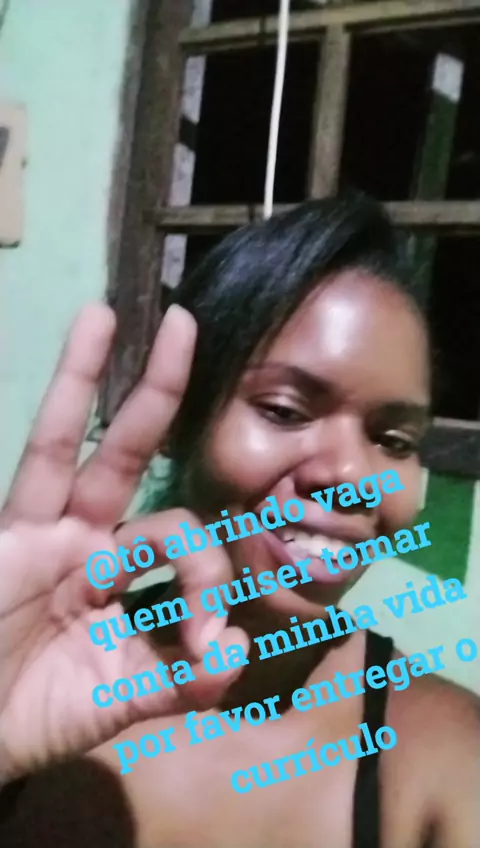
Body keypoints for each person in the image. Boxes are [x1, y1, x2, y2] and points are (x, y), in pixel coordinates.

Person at [0, 193, 478, 848]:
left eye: (394, 440)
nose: (351, 475)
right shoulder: (37, 675)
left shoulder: (445, 756)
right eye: (284, 410)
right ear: (180, 421)